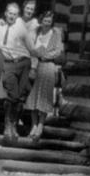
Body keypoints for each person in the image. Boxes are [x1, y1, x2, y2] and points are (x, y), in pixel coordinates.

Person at [0, 2, 35, 141]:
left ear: (18, 16)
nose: (12, 16)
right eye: (10, 13)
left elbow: (32, 42)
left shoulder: (21, 25)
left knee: (21, 98)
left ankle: (13, 126)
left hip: (24, 63)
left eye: (15, 14)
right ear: (5, 13)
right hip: (10, 64)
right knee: (12, 96)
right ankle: (7, 126)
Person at [23, 10, 63, 142]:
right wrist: (34, 56)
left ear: (52, 22)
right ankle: (33, 126)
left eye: (50, 20)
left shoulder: (56, 33)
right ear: (42, 20)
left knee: (44, 98)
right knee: (33, 97)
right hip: (36, 65)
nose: (47, 22)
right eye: (45, 19)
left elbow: (58, 51)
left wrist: (44, 55)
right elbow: (30, 45)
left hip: (48, 66)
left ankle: (40, 126)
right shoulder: (36, 31)